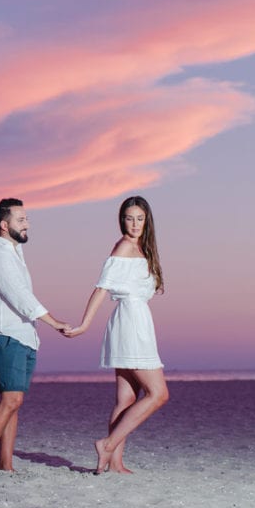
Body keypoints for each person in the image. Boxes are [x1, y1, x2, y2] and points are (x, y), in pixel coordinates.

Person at [64, 195, 169, 474]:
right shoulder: (123, 246)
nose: (134, 224)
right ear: (121, 220)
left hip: (133, 321)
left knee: (126, 399)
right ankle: (108, 444)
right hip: (131, 323)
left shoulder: (141, 249)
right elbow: (101, 288)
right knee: (158, 394)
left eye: (139, 218)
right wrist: (85, 325)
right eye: (128, 218)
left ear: (147, 221)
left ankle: (115, 463)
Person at [0, 198, 70, 476]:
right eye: (21, 220)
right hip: (6, 334)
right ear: (5, 225)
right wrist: (53, 321)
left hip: (24, 335)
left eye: (26, 219)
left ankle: (6, 464)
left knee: (14, 401)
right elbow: (18, 295)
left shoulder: (13, 253)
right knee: (11, 401)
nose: (27, 224)